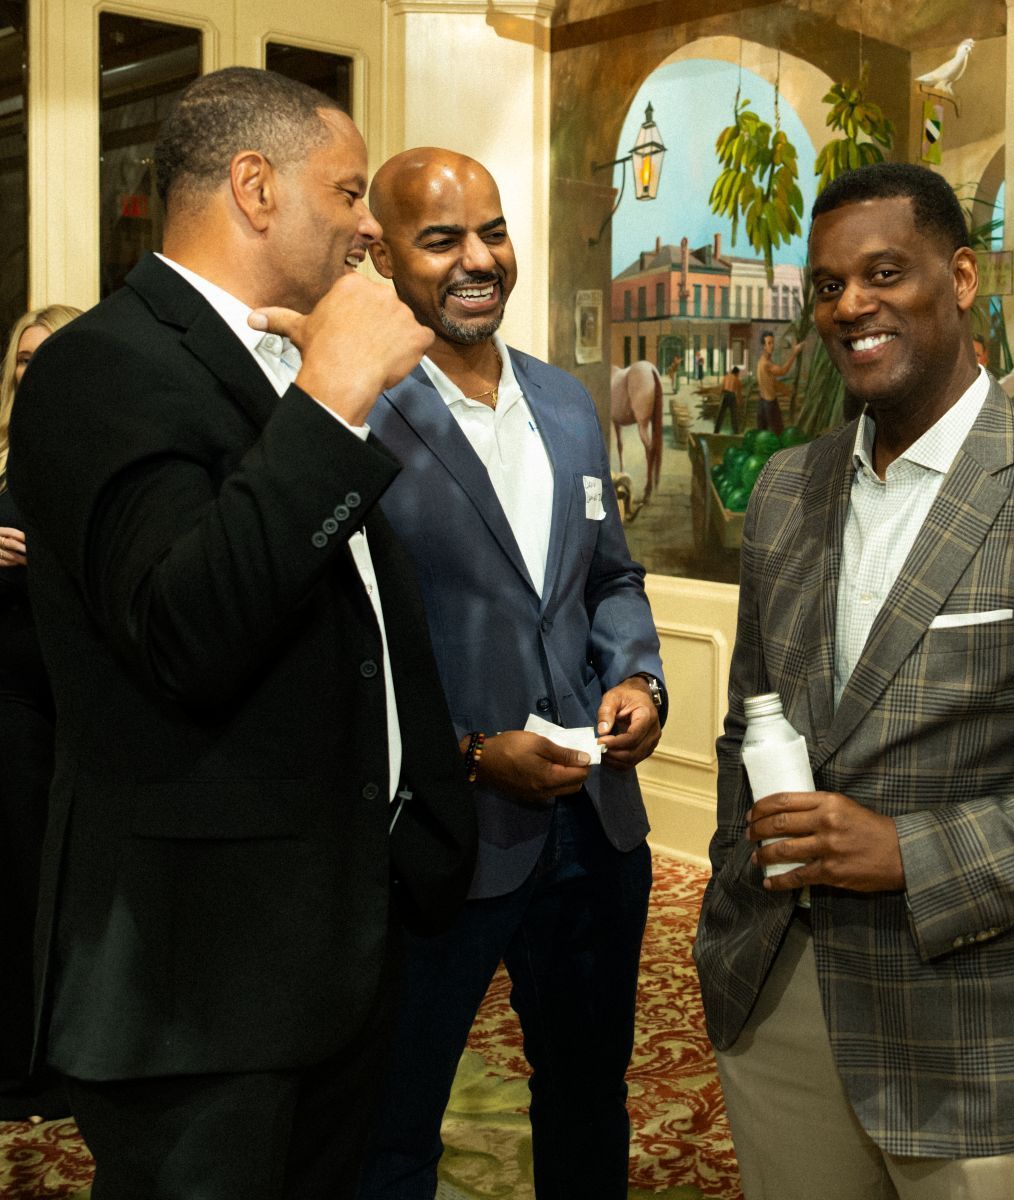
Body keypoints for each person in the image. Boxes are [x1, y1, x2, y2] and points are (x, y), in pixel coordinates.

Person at [7, 68, 476, 1200]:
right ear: (255, 188)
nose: (373, 225)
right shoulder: (99, 366)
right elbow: (187, 628)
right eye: (350, 191)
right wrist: (329, 399)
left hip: (336, 952)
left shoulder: (289, 360)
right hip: (197, 987)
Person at [694, 161, 1014, 1200]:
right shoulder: (789, 490)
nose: (853, 306)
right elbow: (751, 725)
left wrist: (911, 854)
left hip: (986, 1039)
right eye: (829, 286)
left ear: (963, 277)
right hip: (781, 1004)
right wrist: (727, 916)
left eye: (886, 272)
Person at [357, 147, 666, 1200]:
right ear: (382, 255)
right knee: (395, 1125)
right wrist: (468, 757)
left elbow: (611, 577)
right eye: (441, 240)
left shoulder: (567, 402)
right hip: (443, 837)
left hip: (595, 827)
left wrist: (638, 679)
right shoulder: (353, 415)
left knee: (588, 1095)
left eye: (491, 232)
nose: (477, 259)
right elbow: (338, 654)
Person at [0, 304, 81, 1124]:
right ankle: (22, 1066)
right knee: (19, 886)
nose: (37, 372)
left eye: (53, 357)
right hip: (14, 713)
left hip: (93, 711)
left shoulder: (106, 452)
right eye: (25, 361)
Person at [755, 331, 799, 435]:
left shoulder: (762, 361)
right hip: (770, 404)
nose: (772, 346)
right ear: (763, 346)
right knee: (779, 434)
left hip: (762, 403)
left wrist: (787, 392)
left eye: (773, 343)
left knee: (762, 436)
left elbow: (772, 383)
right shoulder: (766, 364)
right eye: (769, 343)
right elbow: (783, 371)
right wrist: (794, 354)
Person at [715, 364, 742, 433]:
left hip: (725, 395)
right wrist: (739, 402)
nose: (738, 375)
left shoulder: (726, 377)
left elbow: (722, 388)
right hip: (732, 396)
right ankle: (736, 431)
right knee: (733, 415)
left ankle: (716, 430)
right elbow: (738, 393)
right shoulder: (737, 380)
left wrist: (720, 397)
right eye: (738, 374)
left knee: (721, 414)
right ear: (736, 373)